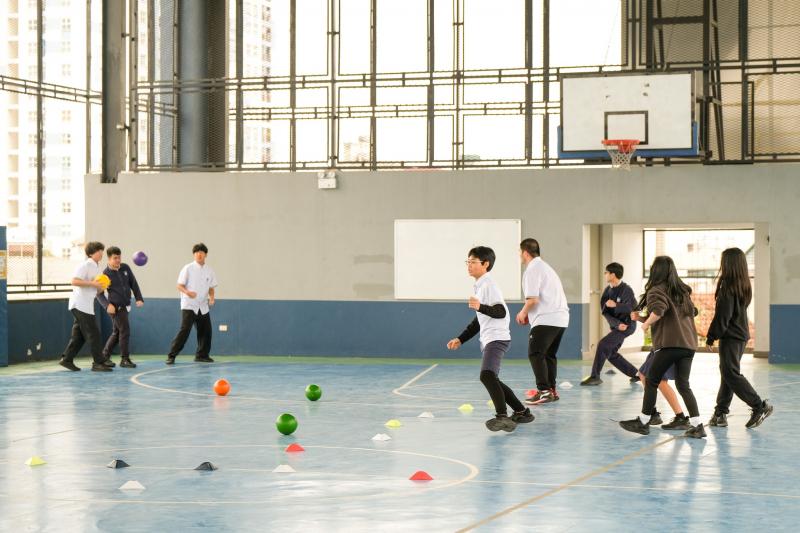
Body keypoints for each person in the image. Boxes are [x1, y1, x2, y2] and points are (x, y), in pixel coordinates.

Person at [447, 246, 533, 432]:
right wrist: (461, 339)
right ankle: (521, 412)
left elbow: (500, 311)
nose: (469, 265)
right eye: (467, 262)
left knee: (487, 376)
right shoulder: (479, 285)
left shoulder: (489, 285)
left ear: (485, 264)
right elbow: (479, 321)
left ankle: (502, 416)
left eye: (473, 262)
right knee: (493, 379)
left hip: (497, 337)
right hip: (489, 338)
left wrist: (480, 307)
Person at [619, 255, 705, 438]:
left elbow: (659, 311)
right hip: (688, 345)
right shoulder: (681, 291)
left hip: (669, 344)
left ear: (655, 271)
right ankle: (697, 425)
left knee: (650, 379)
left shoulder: (656, 290)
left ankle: (643, 421)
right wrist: (641, 317)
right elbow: (679, 314)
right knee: (683, 385)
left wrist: (645, 324)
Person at [706, 247, 773, 429]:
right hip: (739, 336)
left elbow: (723, 317)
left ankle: (759, 406)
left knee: (730, 373)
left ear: (728, 264)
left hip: (732, 337)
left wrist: (711, 336)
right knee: (727, 373)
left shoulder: (728, 286)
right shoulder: (743, 284)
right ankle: (720, 413)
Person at [516, 238, 569, 405]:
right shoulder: (546, 267)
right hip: (560, 319)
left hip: (547, 318)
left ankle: (544, 391)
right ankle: (551, 390)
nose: (519, 255)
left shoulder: (532, 269)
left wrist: (523, 313)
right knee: (548, 355)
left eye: (519, 252)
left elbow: (533, 300)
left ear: (524, 252)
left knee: (535, 353)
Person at [581, 262, 639, 386]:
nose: (605, 274)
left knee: (603, 344)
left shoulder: (626, 290)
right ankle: (636, 374)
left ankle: (594, 376)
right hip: (618, 327)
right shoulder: (607, 291)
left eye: (606, 272)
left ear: (613, 274)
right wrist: (617, 324)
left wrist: (616, 305)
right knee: (611, 353)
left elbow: (632, 308)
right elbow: (605, 312)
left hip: (628, 326)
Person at [58, 241, 113, 372]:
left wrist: (101, 288)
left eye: (101, 250)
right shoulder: (85, 265)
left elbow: (95, 287)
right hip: (80, 304)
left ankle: (67, 359)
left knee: (80, 336)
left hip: (87, 305)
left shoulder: (97, 267)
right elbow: (74, 281)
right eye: (98, 250)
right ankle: (98, 363)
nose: (101, 252)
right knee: (94, 333)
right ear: (90, 253)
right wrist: (93, 284)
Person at [166, 243, 217, 364]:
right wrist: (187, 292)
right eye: (196, 252)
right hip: (189, 305)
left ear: (206, 254)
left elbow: (211, 287)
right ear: (194, 254)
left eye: (201, 252)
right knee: (184, 330)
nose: (199, 254)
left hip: (203, 306)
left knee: (206, 331)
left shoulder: (209, 270)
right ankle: (171, 355)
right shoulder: (187, 268)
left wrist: (212, 298)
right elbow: (179, 285)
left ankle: (202, 355)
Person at [96, 246, 144, 368]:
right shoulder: (105, 275)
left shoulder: (125, 267)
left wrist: (139, 298)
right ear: (109, 259)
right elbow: (99, 294)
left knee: (117, 333)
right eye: (115, 258)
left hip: (126, 306)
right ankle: (124, 359)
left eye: (119, 257)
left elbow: (133, 282)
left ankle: (104, 356)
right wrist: (107, 306)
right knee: (125, 331)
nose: (118, 260)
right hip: (116, 308)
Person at [637, 349, 689, 429]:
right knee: (643, 374)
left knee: (661, 381)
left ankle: (680, 417)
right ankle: (652, 413)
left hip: (666, 347)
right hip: (658, 347)